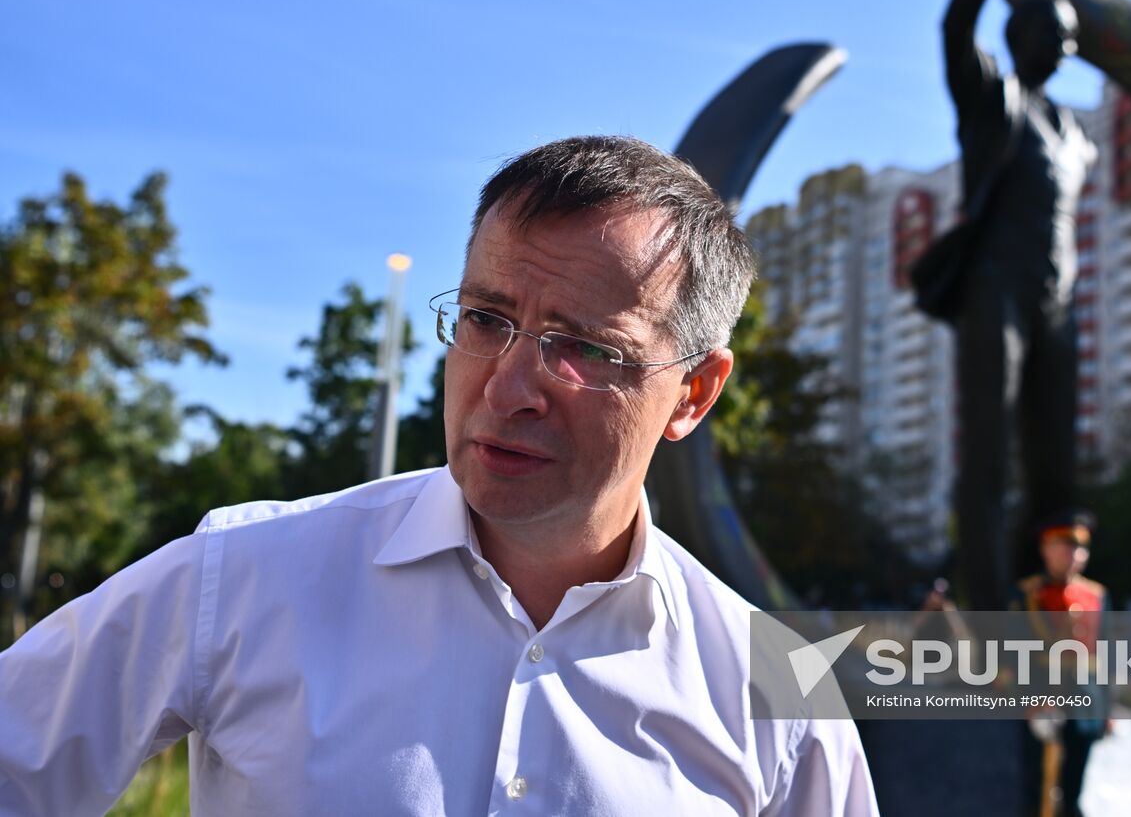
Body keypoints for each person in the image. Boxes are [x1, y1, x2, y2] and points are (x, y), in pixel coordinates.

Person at [0, 136, 878, 815]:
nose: (507, 385)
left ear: (693, 390)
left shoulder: (782, 695)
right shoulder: (242, 575)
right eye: (486, 318)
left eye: (582, 347)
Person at [931, 0, 1097, 612]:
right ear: (1022, 35)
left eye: (1070, 39)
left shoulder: (1075, 132)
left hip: (1055, 301)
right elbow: (956, 15)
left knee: (1057, 464)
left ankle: (1054, 603)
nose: (1065, 48)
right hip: (993, 291)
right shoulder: (991, 99)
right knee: (988, 459)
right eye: (1054, 34)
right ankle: (986, 609)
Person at [1008, 511, 1109, 817]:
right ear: (1045, 548)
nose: (1073, 554)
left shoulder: (1097, 595)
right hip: (1041, 700)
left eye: (1080, 547)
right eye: (1064, 545)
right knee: (1038, 790)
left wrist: (1107, 706)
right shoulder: (1026, 595)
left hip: (1084, 701)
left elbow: (1105, 653)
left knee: (1073, 789)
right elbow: (1013, 653)